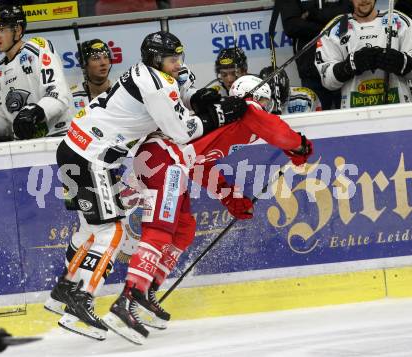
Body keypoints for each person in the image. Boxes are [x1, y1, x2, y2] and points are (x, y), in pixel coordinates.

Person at [45, 30, 247, 340]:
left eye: (180, 57)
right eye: (171, 58)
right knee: (109, 231)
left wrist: (198, 99)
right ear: (155, 59)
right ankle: (81, 298)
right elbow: (179, 130)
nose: (178, 63)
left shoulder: (155, 75)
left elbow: (178, 98)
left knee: (90, 229)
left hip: (76, 149)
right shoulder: (156, 84)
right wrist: (217, 114)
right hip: (92, 157)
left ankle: (64, 290)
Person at [101, 74, 313, 345]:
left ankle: (146, 290)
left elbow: (201, 165)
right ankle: (127, 299)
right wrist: (299, 145)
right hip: (166, 163)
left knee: (184, 228)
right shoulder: (247, 109)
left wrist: (230, 197)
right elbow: (276, 130)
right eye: (265, 100)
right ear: (256, 97)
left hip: (165, 161)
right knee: (160, 230)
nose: (266, 105)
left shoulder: (232, 121)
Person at [0, 5, 72, 142]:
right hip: (25, 145)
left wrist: (35, 112)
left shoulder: (37, 48)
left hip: (59, 137)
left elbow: (58, 94)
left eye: (1, 29)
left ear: (17, 30)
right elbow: (4, 120)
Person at [315, 0, 412, 109]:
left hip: (398, 112)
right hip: (354, 115)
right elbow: (327, 80)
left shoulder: (401, 21)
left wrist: (402, 62)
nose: (364, 0)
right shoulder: (335, 28)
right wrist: (348, 67)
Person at [278, 0, 352, 109]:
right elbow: (291, 26)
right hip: (311, 71)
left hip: (344, 68)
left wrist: (312, 14)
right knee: (314, 121)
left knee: (349, 121)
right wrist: (328, 28)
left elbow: (349, 10)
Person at [71, 39, 112, 109]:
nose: (103, 63)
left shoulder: (121, 90)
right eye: (96, 58)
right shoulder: (71, 96)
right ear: (83, 64)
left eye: (105, 57)